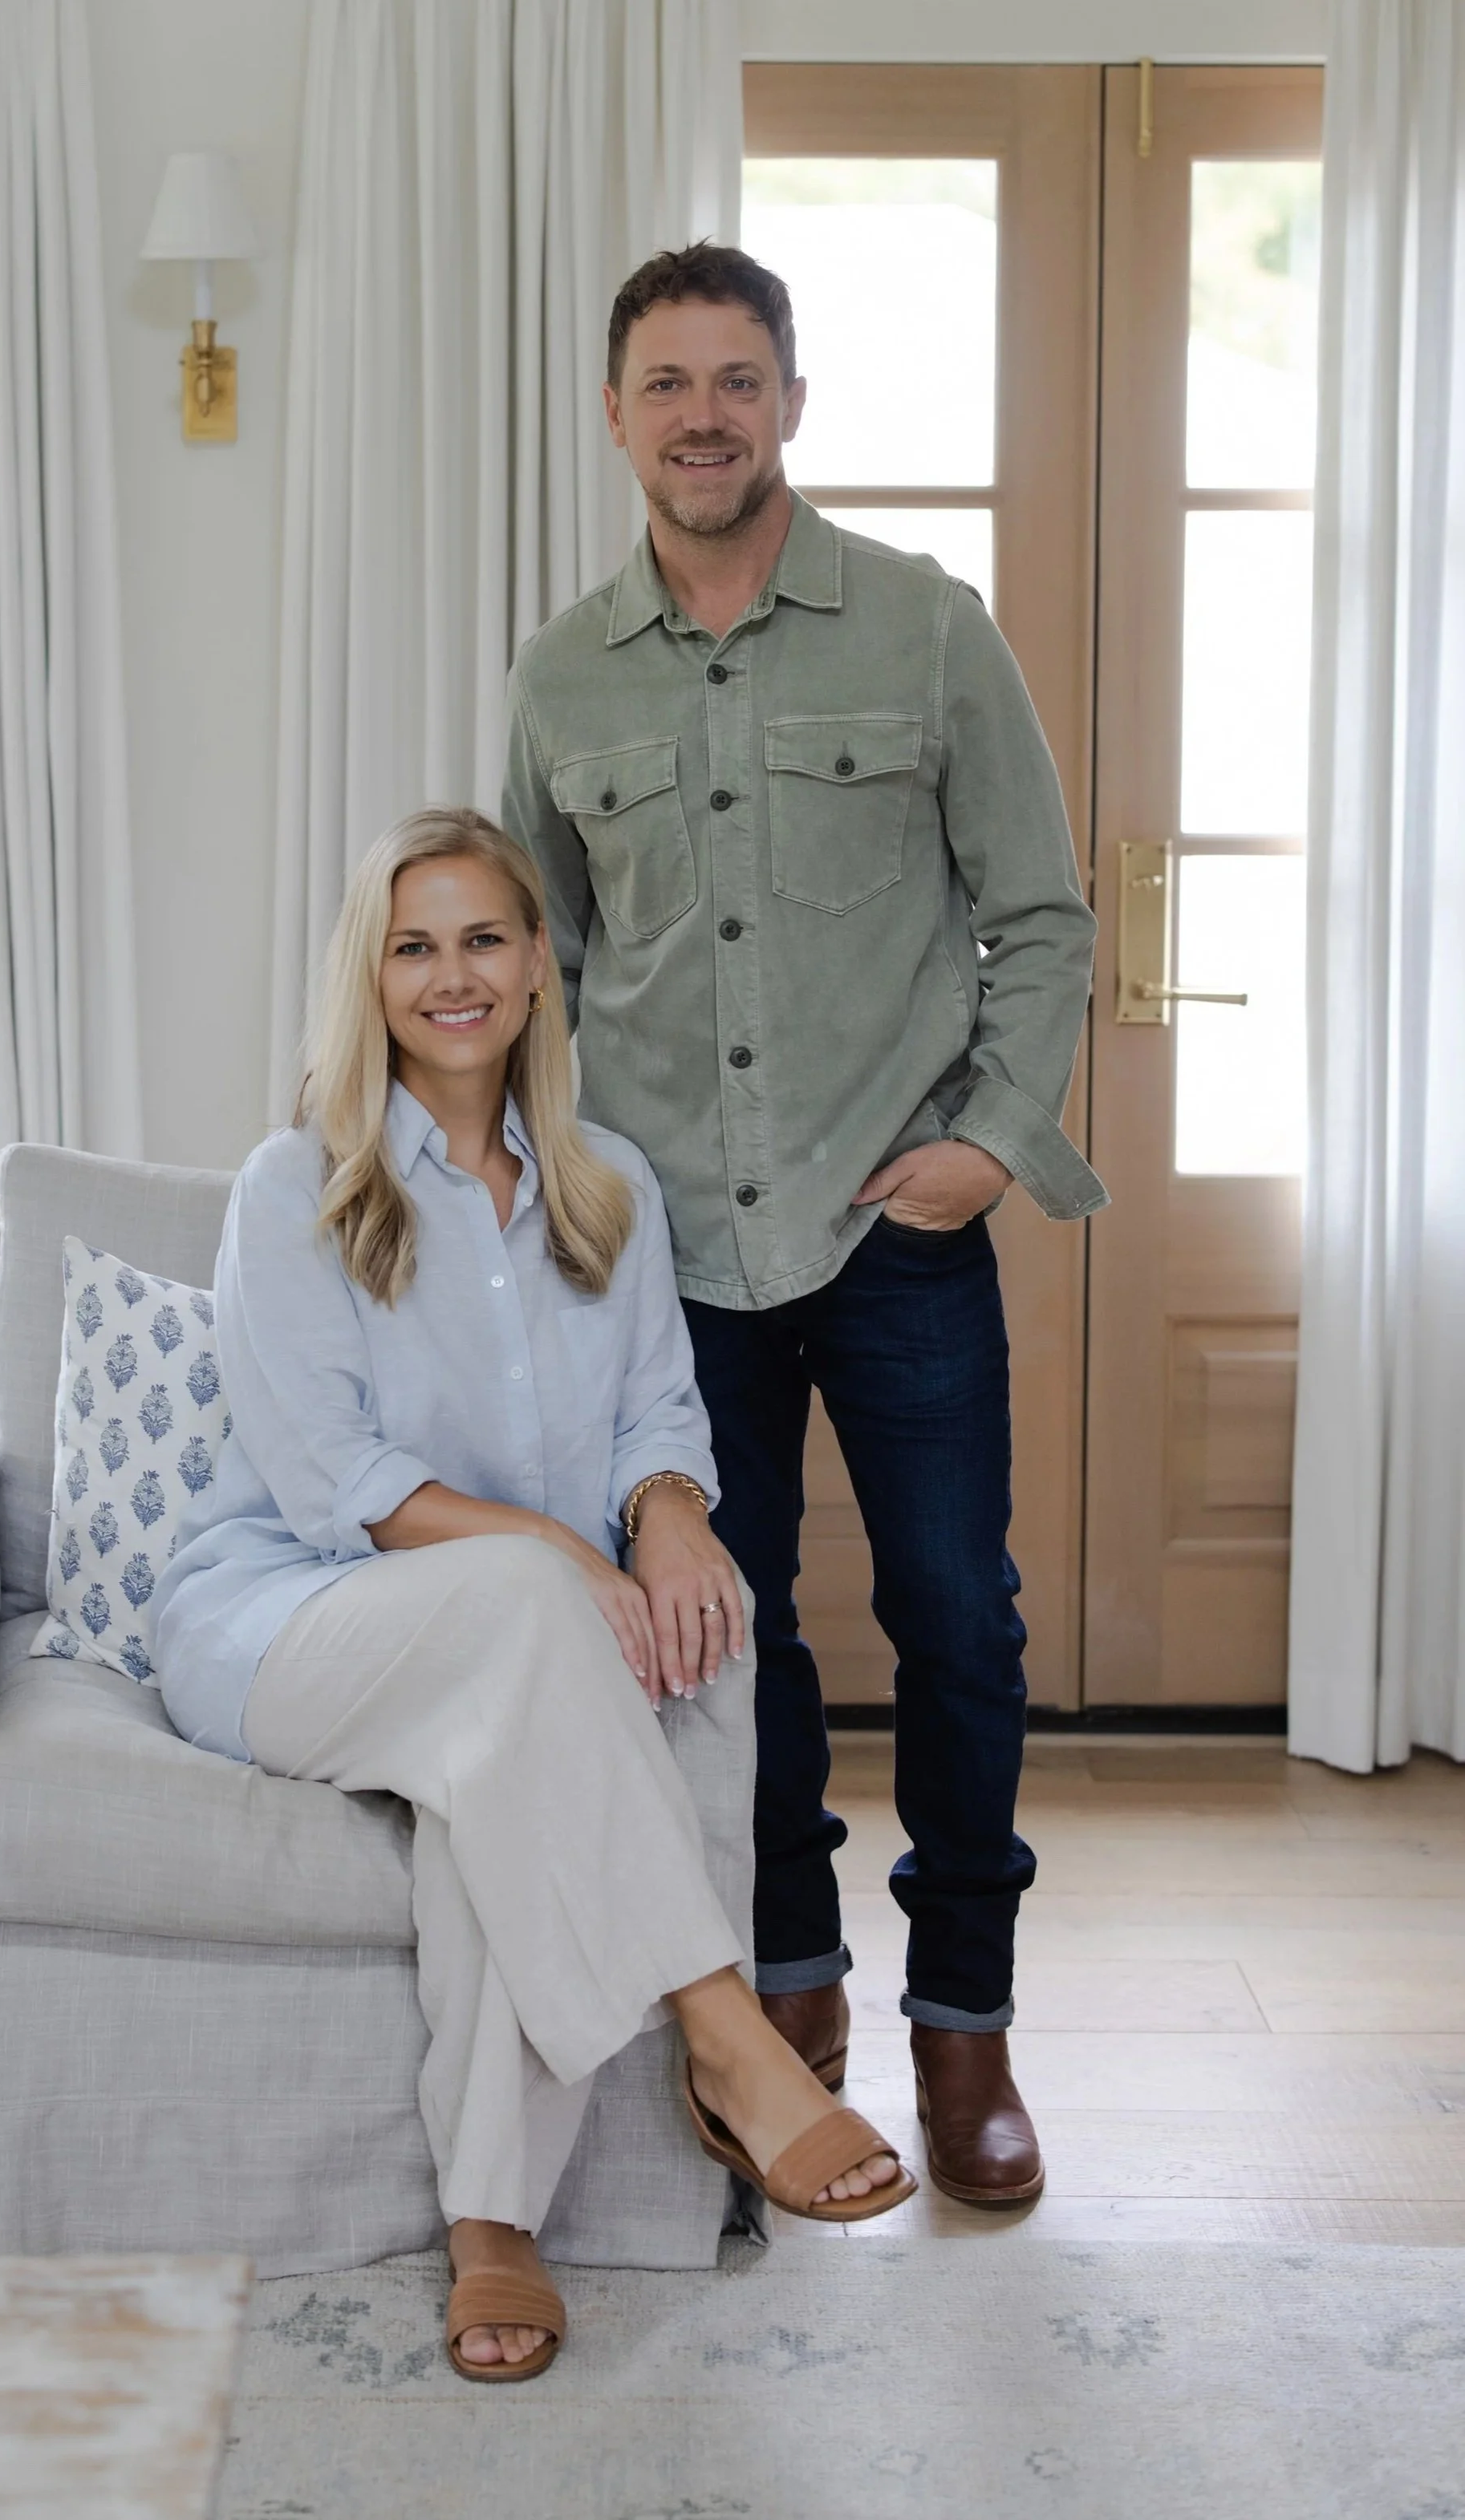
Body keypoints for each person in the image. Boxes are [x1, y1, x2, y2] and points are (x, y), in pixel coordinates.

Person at [152, 808, 911, 2385]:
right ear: (370, 978)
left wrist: (669, 1511)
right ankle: (728, 2031)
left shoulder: (606, 1184)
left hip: (510, 1654)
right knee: (524, 1615)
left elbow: (657, 1412)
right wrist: (567, 1556)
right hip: (287, 1627)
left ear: (539, 968)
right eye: (413, 945)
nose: (453, 975)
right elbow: (333, 1479)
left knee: (499, 1765)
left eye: (483, 938)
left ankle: (493, 2225)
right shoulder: (297, 1184)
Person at [502, 243, 1107, 2209]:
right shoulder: (561, 673)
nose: (705, 415)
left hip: (897, 1229)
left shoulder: (925, 628)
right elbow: (540, 963)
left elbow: (1044, 920)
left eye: (737, 378)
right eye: (668, 383)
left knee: (959, 1621)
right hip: (671, 1258)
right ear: (616, 416)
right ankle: (785, 1982)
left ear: (789, 403)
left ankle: (965, 2022)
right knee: (721, 1633)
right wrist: (544, 1203)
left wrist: (990, 1143)